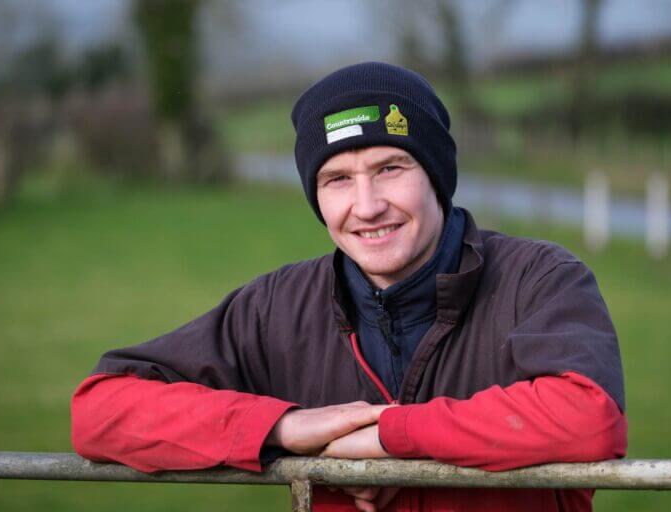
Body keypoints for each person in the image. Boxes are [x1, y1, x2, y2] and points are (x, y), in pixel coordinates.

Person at [72, 62, 627, 512]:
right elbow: (100, 412)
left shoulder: (540, 278)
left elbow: (588, 415)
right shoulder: (275, 309)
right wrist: (283, 426)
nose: (367, 206)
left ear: (437, 176)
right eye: (337, 179)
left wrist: (392, 434)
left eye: (390, 168)